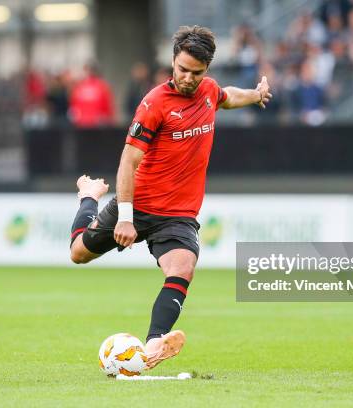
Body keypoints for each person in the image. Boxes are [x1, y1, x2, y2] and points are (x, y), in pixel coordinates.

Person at [68, 25, 272, 369]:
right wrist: (127, 218)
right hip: (140, 203)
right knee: (78, 254)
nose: (188, 79)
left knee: (183, 267)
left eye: (197, 72)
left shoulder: (208, 90)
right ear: (173, 62)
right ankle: (89, 196)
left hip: (178, 214)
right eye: (182, 70)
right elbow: (128, 161)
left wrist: (255, 95)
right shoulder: (154, 104)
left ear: (206, 69)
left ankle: (152, 346)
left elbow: (227, 96)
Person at [68, 62, 116, 128]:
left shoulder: (79, 86)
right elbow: (109, 110)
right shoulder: (102, 86)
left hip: (86, 125)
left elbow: (73, 108)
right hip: (93, 125)